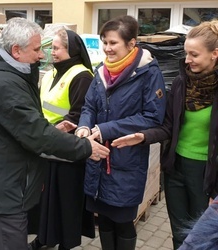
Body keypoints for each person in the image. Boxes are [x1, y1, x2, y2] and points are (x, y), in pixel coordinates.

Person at [0, 17, 110, 250]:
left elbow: (27, 127)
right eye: (36, 50)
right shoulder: (3, 84)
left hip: (3, 186)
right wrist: (85, 148)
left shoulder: (9, 75)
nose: (42, 55)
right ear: (16, 51)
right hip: (2, 194)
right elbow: (37, 134)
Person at [111, 20, 218, 249]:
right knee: (179, 233)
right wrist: (142, 136)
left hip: (207, 176)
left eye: (194, 54)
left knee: (203, 239)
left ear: (214, 54)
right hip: (176, 168)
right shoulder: (182, 82)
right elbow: (169, 125)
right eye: (186, 53)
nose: (187, 60)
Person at [75, 15, 166, 250]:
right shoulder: (100, 72)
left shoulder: (148, 73)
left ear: (131, 43)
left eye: (113, 43)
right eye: (104, 42)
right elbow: (89, 106)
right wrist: (84, 126)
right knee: (103, 219)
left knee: (123, 221)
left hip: (126, 159)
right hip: (98, 157)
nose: (107, 48)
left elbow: (151, 116)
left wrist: (104, 128)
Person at [28, 28, 95, 250]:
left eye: (56, 48)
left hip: (67, 151)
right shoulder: (50, 74)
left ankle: (65, 243)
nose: (52, 53)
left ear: (71, 50)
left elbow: (79, 114)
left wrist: (51, 131)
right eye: (51, 48)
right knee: (46, 201)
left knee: (65, 202)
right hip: (47, 147)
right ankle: (45, 238)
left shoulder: (82, 76)